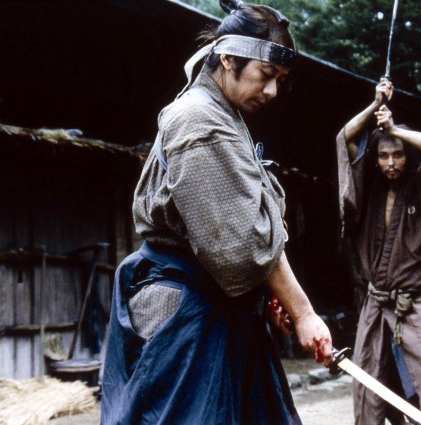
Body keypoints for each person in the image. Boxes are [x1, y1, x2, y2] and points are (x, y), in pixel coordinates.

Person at [101, 2, 333, 424]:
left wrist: (267, 295)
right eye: (266, 74)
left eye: (279, 80)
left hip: (218, 307)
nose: (272, 91)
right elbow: (242, 246)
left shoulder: (224, 115)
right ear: (228, 59)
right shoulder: (198, 119)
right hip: (184, 312)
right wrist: (303, 313)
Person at [336, 79, 421, 425]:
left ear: (408, 155)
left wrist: (394, 130)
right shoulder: (369, 189)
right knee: (367, 380)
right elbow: (346, 137)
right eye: (384, 155)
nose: (391, 162)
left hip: (418, 301)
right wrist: (374, 106)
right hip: (377, 302)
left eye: (398, 155)